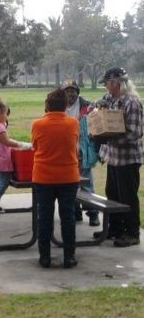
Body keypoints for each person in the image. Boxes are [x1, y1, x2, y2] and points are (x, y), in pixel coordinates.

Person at [94, 67, 144, 247]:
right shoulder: (108, 99)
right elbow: (96, 110)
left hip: (128, 158)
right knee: (112, 193)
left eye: (107, 83)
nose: (106, 87)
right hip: (113, 157)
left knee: (127, 196)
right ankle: (114, 228)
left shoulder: (132, 103)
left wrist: (110, 137)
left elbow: (135, 133)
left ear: (115, 83)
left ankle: (132, 233)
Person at [32, 88, 80, 268]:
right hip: (68, 176)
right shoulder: (73, 123)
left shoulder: (37, 124)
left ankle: (44, 256)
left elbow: (35, 147)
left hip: (43, 176)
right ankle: (69, 256)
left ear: (47, 106)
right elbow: (74, 144)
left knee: (44, 216)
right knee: (68, 216)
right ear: (66, 105)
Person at [0, 97, 31, 212]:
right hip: (3, 159)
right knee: (3, 182)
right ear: (0, 113)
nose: (6, 116)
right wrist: (23, 144)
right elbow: (6, 142)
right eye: (5, 114)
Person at [62, 80, 100, 226]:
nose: (70, 94)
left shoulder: (86, 106)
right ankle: (75, 212)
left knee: (86, 183)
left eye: (72, 91)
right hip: (66, 151)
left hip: (83, 150)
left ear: (77, 92)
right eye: (66, 91)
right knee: (70, 183)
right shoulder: (58, 106)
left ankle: (93, 214)